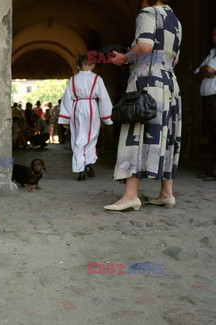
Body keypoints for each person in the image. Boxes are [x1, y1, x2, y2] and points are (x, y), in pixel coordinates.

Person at [105, 0, 182, 211]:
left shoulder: (147, 13)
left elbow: (145, 46)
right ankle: (166, 193)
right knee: (166, 136)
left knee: (135, 133)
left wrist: (124, 58)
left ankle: (130, 195)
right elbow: (175, 59)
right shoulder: (175, 20)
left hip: (147, 82)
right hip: (169, 83)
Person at [58, 54, 113, 181]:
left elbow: (67, 98)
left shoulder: (72, 79)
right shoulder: (97, 79)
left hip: (77, 108)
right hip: (92, 107)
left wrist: (65, 119)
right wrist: (107, 117)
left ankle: (80, 168)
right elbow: (103, 97)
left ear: (78, 66)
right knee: (92, 137)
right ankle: (87, 163)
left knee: (78, 138)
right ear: (92, 65)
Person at [194, 26, 216, 181]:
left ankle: (213, 171)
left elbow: (208, 69)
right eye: (214, 34)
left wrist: (207, 71)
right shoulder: (212, 53)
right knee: (211, 134)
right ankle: (211, 170)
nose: (215, 37)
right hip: (209, 100)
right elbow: (198, 73)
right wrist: (206, 71)